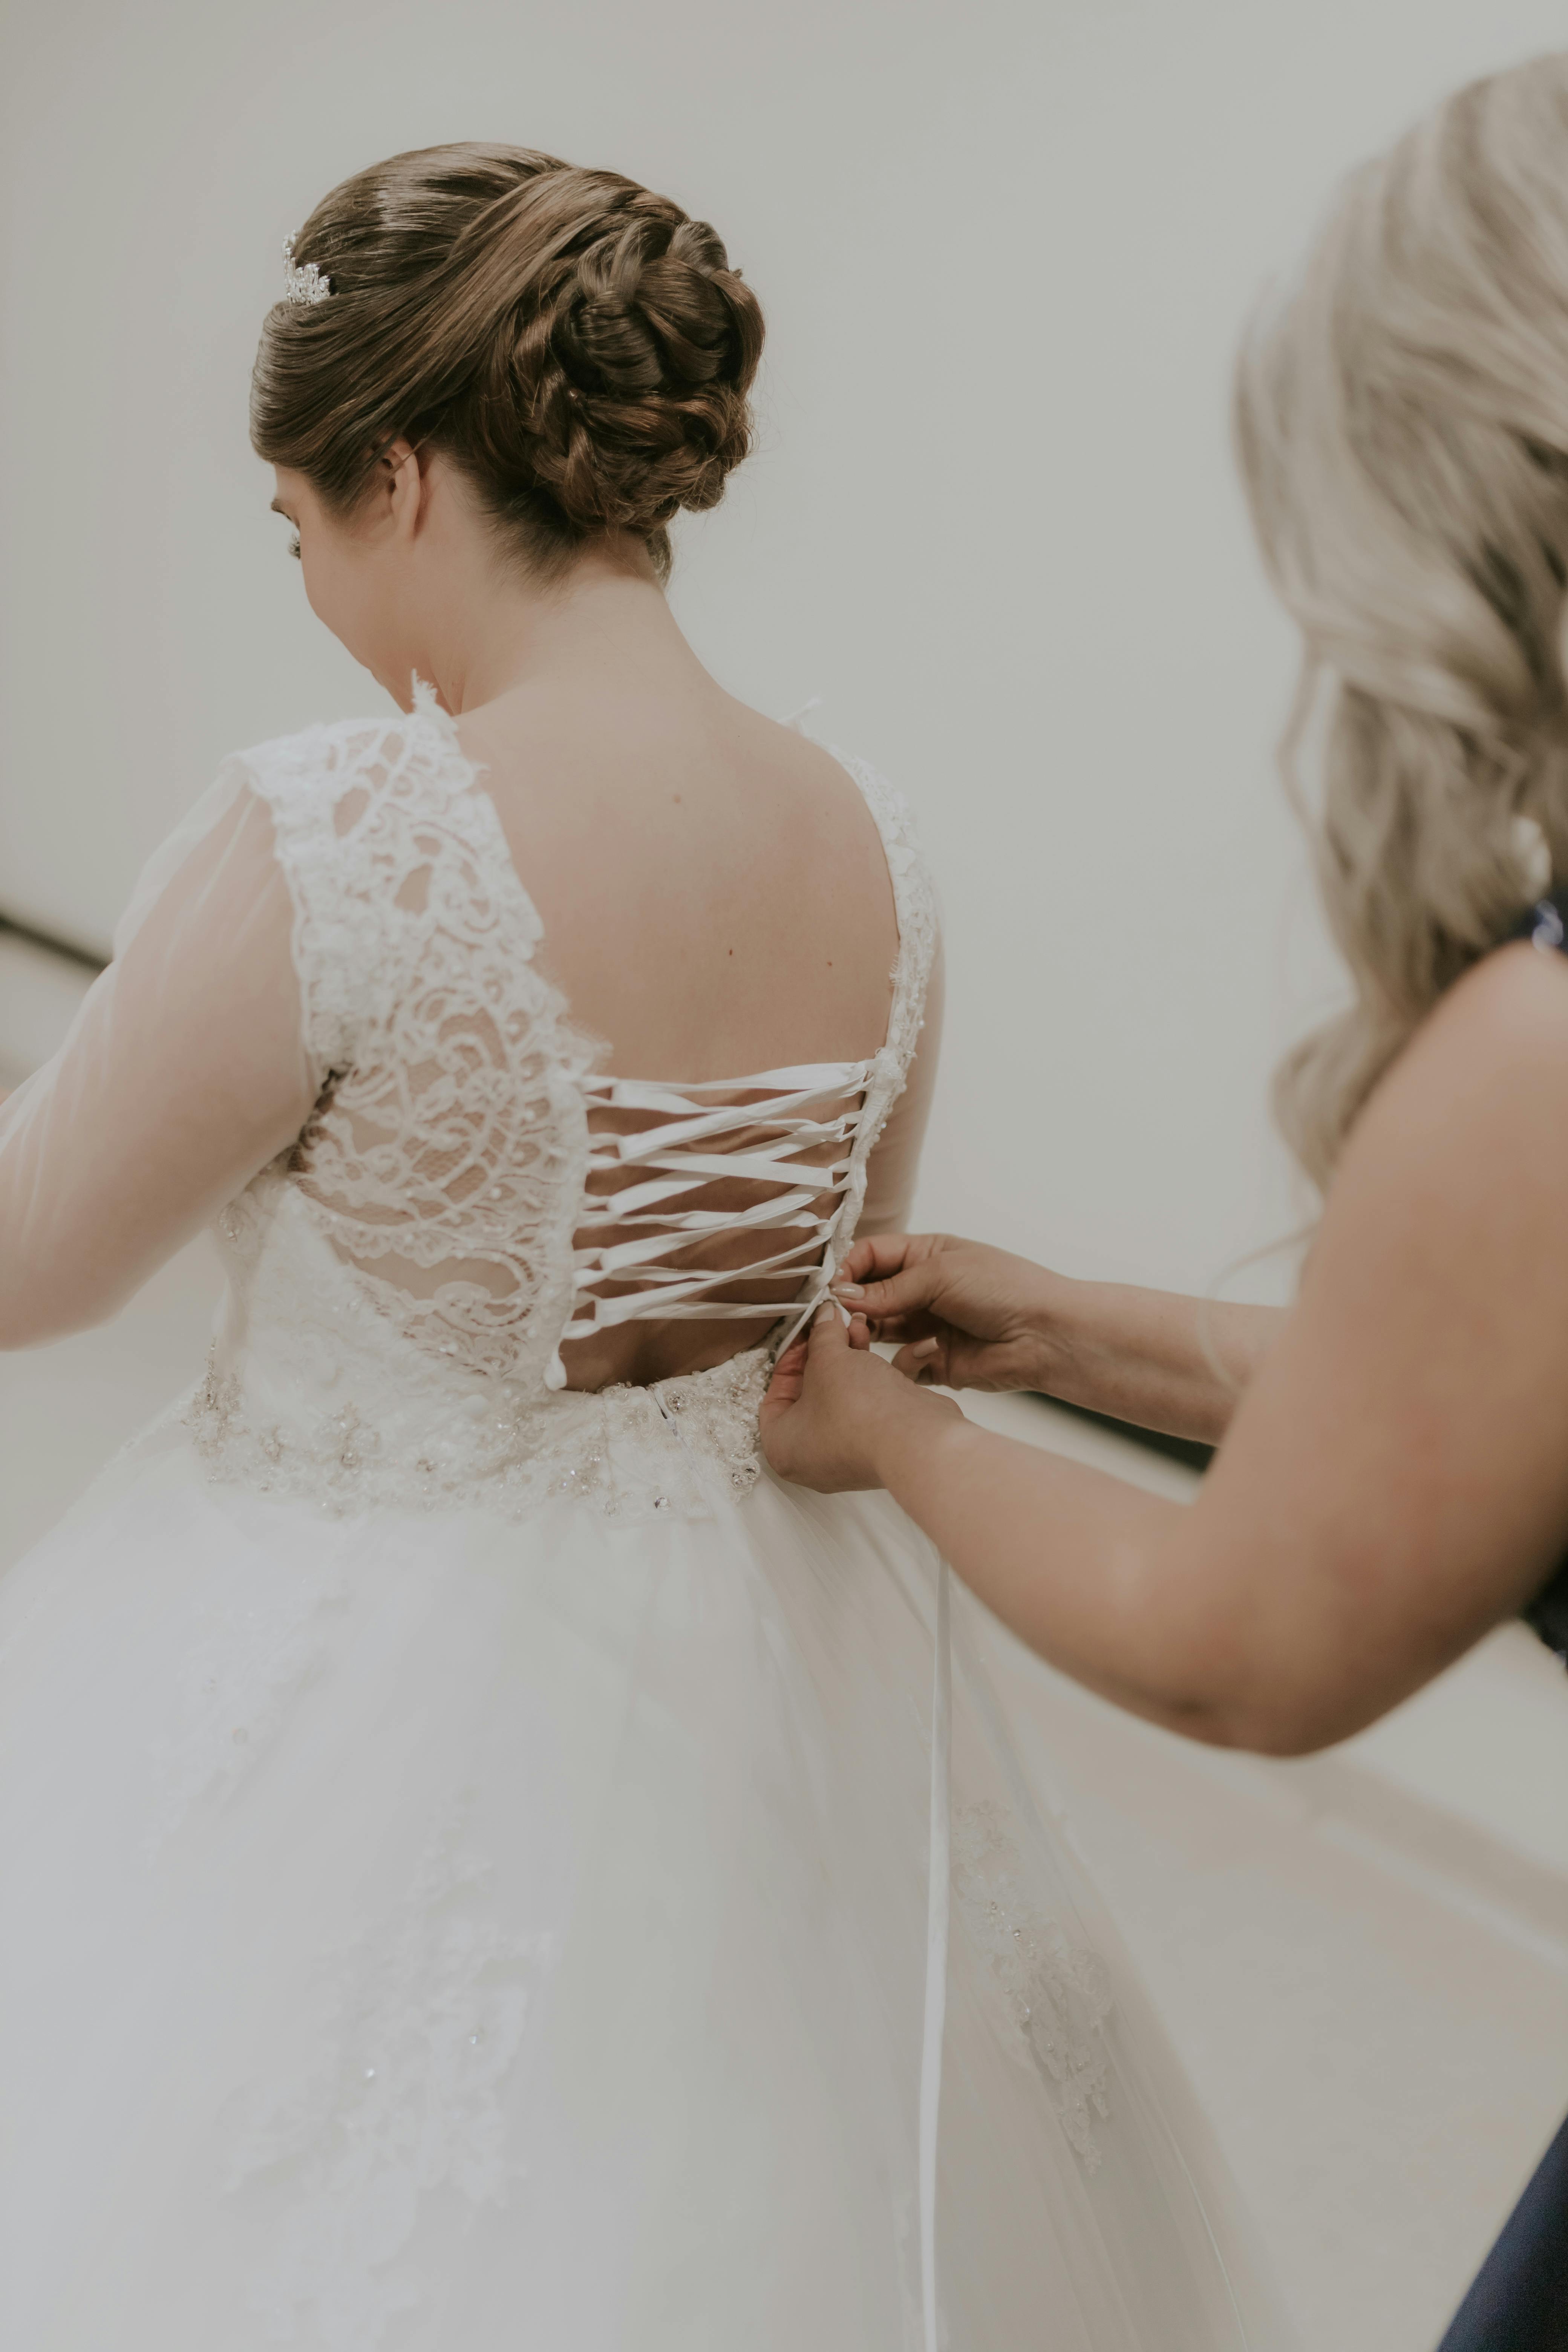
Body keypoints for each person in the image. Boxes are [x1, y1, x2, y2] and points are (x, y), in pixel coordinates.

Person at [0, 145, 1294, 2350]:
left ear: (399, 475)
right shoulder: (871, 843)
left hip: (348, 1649)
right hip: (765, 1679)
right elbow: (832, 1313)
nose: (306, 573)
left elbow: (31, 1266)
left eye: (295, 518)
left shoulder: (340, 829)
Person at [760, 54, 1568, 2352]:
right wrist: (1086, 1331)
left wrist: (907, 1440)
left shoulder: (1544, 1048)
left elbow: (1244, 1647)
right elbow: (1488, 1404)